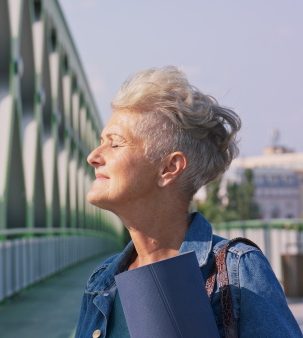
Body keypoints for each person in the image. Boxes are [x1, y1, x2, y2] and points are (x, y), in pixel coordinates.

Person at [75, 66, 301, 338]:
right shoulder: (102, 280)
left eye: (115, 144)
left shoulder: (238, 270)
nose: (93, 156)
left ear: (168, 168)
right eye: (101, 142)